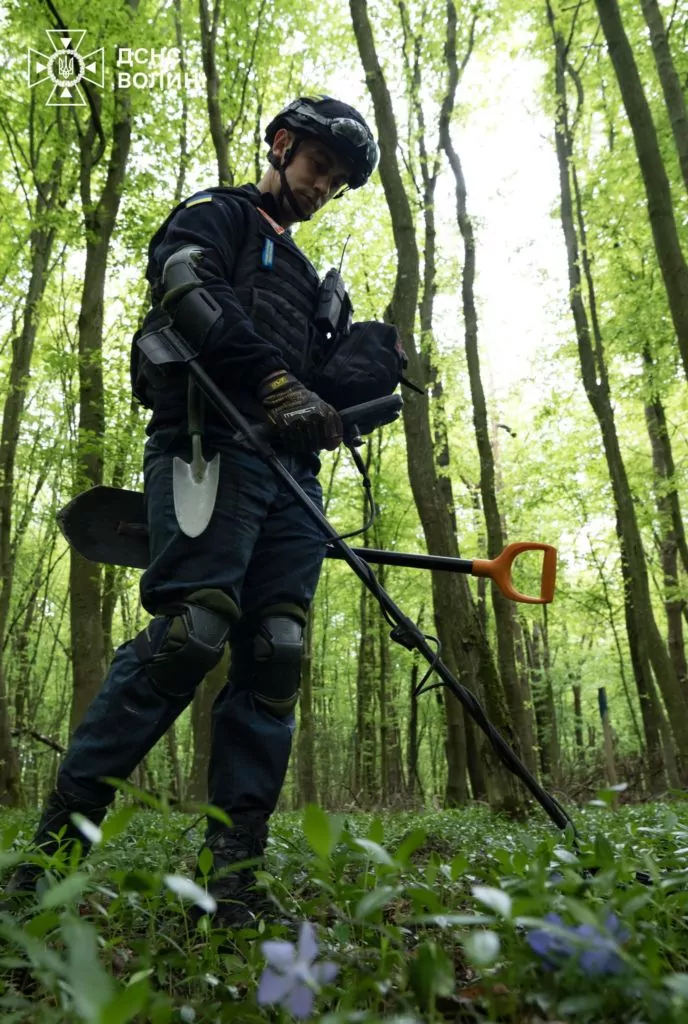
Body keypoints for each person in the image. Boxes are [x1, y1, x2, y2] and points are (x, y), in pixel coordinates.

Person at [3, 96, 381, 929]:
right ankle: (47, 860)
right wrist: (271, 378)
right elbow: (183, 284)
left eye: (339, 182)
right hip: (205, 444)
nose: (324, 187)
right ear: (281, 145)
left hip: (292, 482)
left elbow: (313, 392)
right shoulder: (217, 215)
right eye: (319, 166)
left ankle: (232, 882)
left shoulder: (314, 279)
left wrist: (352, 376)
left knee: (276, 652)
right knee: (192, 632)